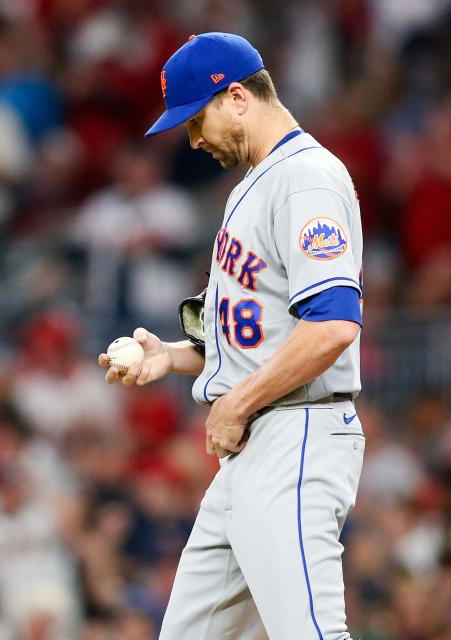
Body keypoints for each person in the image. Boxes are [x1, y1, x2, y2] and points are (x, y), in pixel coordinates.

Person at [98, 32, 364, 639]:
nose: (192, 139)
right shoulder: (254, 183)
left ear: (238, 97)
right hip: (252, 446)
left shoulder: (307, 177)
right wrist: (168, 356)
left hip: (295, 432)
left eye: (196, 120)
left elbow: (333, 325)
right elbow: (257, 335)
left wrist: (238, 402)